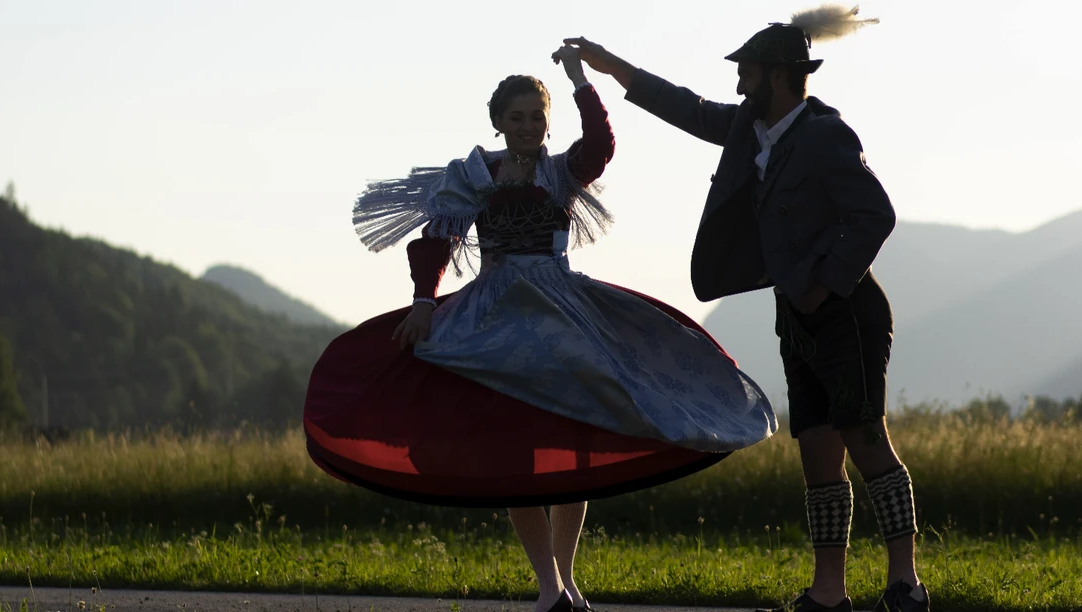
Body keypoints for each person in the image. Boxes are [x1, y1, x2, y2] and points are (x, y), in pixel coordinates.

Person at [302, 46, 777, 612]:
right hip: (496, 316)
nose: (527, 127)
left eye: (536, 118)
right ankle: (547, 585)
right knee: (516, 452)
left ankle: (567, 580)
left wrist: (580, 80)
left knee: (573, 440)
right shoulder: (473, 175)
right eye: (517, 117)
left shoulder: (560, 172)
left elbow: (601, 146)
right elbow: (436, 241)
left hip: (562, 308)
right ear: (498, 122)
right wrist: (424, 302)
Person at [561, 5, 929, 612]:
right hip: (797, 314)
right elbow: (686, 107)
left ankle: (904, 583)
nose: (739, 84)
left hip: (847, 311)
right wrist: (608, 67)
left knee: (865, 441)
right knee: (816, 455)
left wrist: (823, 284)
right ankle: (828, 594)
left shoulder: (824, 133)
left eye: (748, 73)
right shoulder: (749, 130)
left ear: (778, 76)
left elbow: (875, 215)